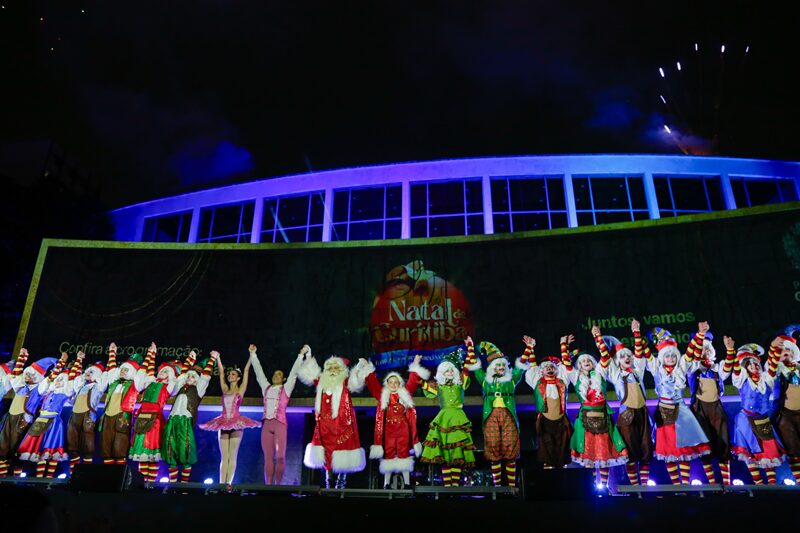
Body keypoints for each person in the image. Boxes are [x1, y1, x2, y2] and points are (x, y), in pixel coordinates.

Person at [641, 324, 711, 484]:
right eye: (667, 356)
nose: (671, 359)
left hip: (681, 412)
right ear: (662, 357)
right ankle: (676, 484)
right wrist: (637, 334)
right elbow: (646, 353)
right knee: (668, 450)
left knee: (684, 449)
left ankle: (685, 484)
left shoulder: (681, 368)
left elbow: (690, 352)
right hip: (664, 412)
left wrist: (700, 334)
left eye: (673, 356)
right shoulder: (656, 368)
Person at [562, 334, 628, 488]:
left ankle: (604, 487)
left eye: (589, 360)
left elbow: (605, 356)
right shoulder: (575, 376)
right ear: (579, 364)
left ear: (593, 363)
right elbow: (566, 363)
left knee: (604, 454)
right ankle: (592, 487)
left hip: (603, 419)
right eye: (583, 361)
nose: (586, 362)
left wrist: (597, 336)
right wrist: (564, 346)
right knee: (589, 455)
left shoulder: (600, 373)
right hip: (585, 421)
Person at [356, 353, 429, 489]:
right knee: (389, 454)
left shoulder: (404, 393)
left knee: (404, 454)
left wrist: (416, 363)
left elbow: (413, 381)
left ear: (399, 383)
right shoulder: (382, 394)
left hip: (403, 429)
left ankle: (407, 483)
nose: (393, 384)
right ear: (387, 384)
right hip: (388, 430)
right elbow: (372, 383)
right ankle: (386, 484)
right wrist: (366, 366)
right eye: (391, 382)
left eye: (396, 382)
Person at [465, 336, 530, 487]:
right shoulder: (485, 379)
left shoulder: (511, 379)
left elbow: (520, 366)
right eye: (498, 365)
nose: (501, 367)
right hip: (491, 415)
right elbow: (475, 365)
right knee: (493, 446)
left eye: (503, 365)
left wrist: (528, 349)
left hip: (508, 415)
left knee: (510, 446)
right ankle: (497, 486)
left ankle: (512, 486)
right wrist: (470, 346)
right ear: (492, 367)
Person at [297, 349, 367, 489]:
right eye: (330, 368)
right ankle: (328, 482)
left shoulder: (345, 382)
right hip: (325, 426)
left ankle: (341, 482)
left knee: (343, 452)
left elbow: (355, 381)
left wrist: (359, 367)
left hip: (342, 425)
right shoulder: (322, 382)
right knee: (326, 453)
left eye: (336, 368)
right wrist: (309, 355)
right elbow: (311, 372)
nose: (333, 370)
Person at [594, 322, 653, 486]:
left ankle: (645, 486)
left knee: (646, 449)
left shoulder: (638, 371)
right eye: (622, 357)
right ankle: (635, 487)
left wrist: (636, 332)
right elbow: (605, 356)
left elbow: (640, 354)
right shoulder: (615, 374)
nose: (627, 358)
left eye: (628, 356)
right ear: (617, 361)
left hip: (642, 413)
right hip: (626, 414)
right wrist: (598, 337)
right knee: (630, 451)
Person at [199, 351, 260, 485]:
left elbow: (246, 369)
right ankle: (221, 484)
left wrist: (251, 355)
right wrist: (218, 358)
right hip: (223, 421)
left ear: (238, 378)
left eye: (233, 374)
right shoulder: (225, 389)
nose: (230, 375)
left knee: (232, 456)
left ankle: (228, 485)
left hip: (236, 422)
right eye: (230, 374)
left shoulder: (240, 390)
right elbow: (221, 373)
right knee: (224, 457)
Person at [730, 339, 785, 484]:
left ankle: (772, 485)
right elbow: (736, 368)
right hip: (746, 420)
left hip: (763, 420)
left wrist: (775, 348)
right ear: (746, 368)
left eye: (756, 363)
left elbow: (773, 366)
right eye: (751, 364)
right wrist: (731, 349)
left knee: (769, 452)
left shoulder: (766, 380)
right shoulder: (742, 380)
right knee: (749, 452)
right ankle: (759, 485)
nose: (755, 366)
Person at [419, 347, 477, 487]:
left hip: (458, 419)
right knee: (445, 453)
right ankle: (447, 486)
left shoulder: (460, 384)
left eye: (452, 370)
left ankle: (455, 486)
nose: (450, 373)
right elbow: (423, 384)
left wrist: (470, 348)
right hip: (444, 418)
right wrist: (417, 367)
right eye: (447, 371)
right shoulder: (439, 387)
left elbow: (467, 368)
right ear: (442, 373)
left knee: (456, 453)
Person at [18, 353, 81, 478]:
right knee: (39, 450)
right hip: (40, 420)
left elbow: (72, 381)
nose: (58, 382)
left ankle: (49, 479)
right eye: (58, 380)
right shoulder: (48, 391)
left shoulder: (65, 392)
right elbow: (50, 379)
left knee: (51, 450)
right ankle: (39, 478)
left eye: (61, 380)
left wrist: (78, 360)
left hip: (53, 422)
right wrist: (60, 364)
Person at [249, 343, 305, 485]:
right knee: (268, 457)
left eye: (279, 374)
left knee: (280, 457)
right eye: (274, 374)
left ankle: (278, 485)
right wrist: (253, 354)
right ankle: (268, 486)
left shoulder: (286, 388)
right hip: (266, 425)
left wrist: (300, 355)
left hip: (280, 424)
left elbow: (294, 373)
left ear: (283, 379)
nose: (275, 376)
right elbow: (259, 372)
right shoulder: (266, 387)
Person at [0, 353, 60, 477]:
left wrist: (59, 364)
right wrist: (22, 356)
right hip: (9, 419)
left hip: (23, 421)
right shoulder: (20, 387)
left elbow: (49, 379)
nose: (26, 376)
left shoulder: (38, 389)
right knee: (2, 449)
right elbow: (15, 376)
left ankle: (15, 480)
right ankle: (3, 479)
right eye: (26, 373)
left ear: (37, 376)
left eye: (30, 374)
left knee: (17, 452)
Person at [129, 345, 182, 483]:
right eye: (162, 370)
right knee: (142, 454)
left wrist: (172, 373)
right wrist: (151, 354)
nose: (162, 372)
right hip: (141, 418)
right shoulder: (149, 383)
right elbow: (147, 374)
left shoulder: (168, 387)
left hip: (155, 421)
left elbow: (175, 381)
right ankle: (141, 482)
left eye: (166, 372)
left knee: (152, 453)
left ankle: (151, 483)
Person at [687, 331, 734, 484]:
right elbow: (688, 365)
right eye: (701, 349)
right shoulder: (693, 369)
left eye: (707, 349)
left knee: (723, 444)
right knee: (704, 447)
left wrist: (729, 351)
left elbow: (726, 370)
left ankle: (727, 484)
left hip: (716, 409)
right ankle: (712, 484)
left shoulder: (716, 368)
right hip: (699, 410)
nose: (704, 352)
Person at [162, 352, 216, 482]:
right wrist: (190, 360)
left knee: (185, 451)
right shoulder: (179, 388)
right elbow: (181, 377)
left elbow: (205, 377)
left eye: (193, 376)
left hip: (185, 422)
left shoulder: (198, 389)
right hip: (172, 421)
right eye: (189, 376)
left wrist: (212, 359)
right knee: (170, 450)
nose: (189, 378)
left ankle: (184, 485)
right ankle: (173, 485)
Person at [66, 345, 113, 476]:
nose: (88, 373)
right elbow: (74, 379)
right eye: (87, 371)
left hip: (88, 419)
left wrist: (112, 353)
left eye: (92, 372)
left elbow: (108, 374)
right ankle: (72, 475)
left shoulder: (98, 386)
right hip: (74, 418)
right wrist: (79, 360)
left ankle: (85, 474)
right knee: (72, 446)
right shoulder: (80, 386)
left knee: (88, 447)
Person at [525, 339, 572, 469]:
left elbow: (566, 367)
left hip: (561, 421)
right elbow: (533, 367)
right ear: (542, 371)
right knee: (546, 448)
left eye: (552, 367)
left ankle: (563, 473)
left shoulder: (562, 382)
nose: (549, 369)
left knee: (562, 448)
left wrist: (564, 345)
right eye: (546, 367)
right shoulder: (537, 382)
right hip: (545, 422)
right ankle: (548, 474)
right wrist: (530, 347)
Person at [98, 347, 149, 465]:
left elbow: (142, 373)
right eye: (122, 369)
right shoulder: (114, 383)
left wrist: (150, 355)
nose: (123, 371)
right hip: (107, 416)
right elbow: (111, 370)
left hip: (122, 417)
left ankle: (119, 473)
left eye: (126, 370)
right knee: (106, 445)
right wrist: (112, 353)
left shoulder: (134, 384)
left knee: (120, 445)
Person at [773, 331, 800, 483]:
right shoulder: (777, 370)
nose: (786, 354)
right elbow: (772, 372)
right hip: (786, 414)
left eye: (788, 351)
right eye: (782, 352)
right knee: (793, 450)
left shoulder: (798, 369)